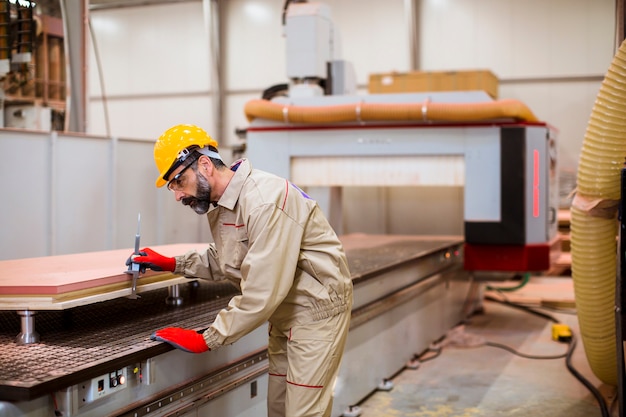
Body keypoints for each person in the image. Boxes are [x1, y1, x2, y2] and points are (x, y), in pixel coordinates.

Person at [130, 124, 353, 417]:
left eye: (179, 181)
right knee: (279, 409)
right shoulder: (225, 204)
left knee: (303, 414)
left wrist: (208, 338)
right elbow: (229, 258)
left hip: (315, 314)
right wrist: (174, 264)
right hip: (285, 312)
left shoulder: (264, 199)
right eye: (173, 186)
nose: (178, 196)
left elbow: (263, 288)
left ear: (205, 165)